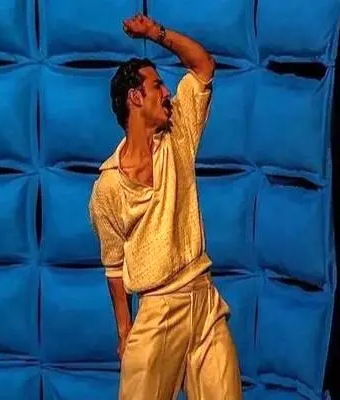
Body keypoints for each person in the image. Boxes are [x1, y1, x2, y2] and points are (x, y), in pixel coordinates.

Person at [88, 14, 242, 400]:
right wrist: (125, 331)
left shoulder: (178, 134)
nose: (167, 93)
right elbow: (113, 265)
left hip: (204, 302)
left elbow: (203, 66)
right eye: (157, 86)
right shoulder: (109, 186)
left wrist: (155, 33)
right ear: (135, 98)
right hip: (158, 312)